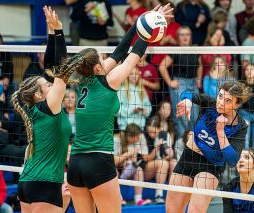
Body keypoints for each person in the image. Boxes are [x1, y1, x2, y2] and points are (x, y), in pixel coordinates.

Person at [66, 4, 173, 213]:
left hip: (76, 163)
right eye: (101, 57)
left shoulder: (85, 79)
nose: (106, 57)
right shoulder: (111, 80)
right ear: (98, 66)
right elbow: (134, 53)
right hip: (99, 160)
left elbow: (120, 50)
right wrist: (151, 24)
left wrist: (140, 21)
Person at [13, 6, 73, 213]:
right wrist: (60, 31)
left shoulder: (37, 108)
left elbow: (50, 68)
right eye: (47, 86)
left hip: (27, 182)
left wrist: (51, 32)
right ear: (39, 95)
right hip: (45, 184)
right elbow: (62, 68)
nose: (51, 84)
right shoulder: (50, 107)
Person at [166, 81, 250, 213]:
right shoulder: (210, 103)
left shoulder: (240, 126)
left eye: (228, 100)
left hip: (210, 166)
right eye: (220, 96)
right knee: (172, 210)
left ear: (237, 104)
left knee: (195, 211)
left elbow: (232, 161)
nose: (221, 102)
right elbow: (187, 93)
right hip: (188, 157)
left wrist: (221, 132)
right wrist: (187, 101)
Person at [159, 26, 202, 141]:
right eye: (182, 35)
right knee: (181, 116)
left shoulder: (195, 50)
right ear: (178, 37)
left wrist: (199, 79)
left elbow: (200, 65)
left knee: (194, 115)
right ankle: (181, 145)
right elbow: (162, 66)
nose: (185, 37)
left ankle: (193, 143)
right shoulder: (175, 50)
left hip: (193, 84)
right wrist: (170, 82)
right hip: (180, 84)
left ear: (191, 37)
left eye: (187, 34)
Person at [117, 66, 152, 131]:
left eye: (136, 74)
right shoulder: (122, 90)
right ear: (127, 75)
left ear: (139, 75)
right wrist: (132, 110)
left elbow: (149, 107)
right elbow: (116, 110)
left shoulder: (142, 90)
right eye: (131, 74)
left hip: (140, 128)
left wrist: (145, 111)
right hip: (125, 128)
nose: (134, 76)